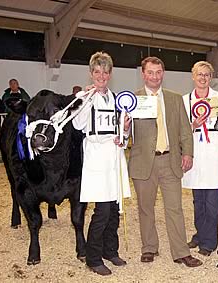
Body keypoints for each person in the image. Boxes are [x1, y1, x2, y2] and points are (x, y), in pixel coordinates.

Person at [128, 56, 202, 267]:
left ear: (163, 74)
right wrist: (124, 127)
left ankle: (181, 252)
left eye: (158, 72)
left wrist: (187, 153)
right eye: (150, 72)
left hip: (170, 160)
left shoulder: (174, 99)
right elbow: (125, 134)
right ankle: (149, 247)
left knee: (175, 208)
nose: (154, 77)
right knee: (145, 208)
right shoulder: (132, 99)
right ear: (143, 74)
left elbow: (185, 131)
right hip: (144, 162)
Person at [72, 51, 131, 276]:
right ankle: (93, 257)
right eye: (97, 72)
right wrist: (85, 99)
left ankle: (110, 250)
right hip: (96, 156)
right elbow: (78, 125)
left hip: (115, 157)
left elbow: (123, 133)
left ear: (110, 74)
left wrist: (124, 130)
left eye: (105, 72)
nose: (101, 76)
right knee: (102, 211)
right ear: (91, 73)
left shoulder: (117, 98)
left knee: (115, 209)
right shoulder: (84, 97)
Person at [182, 61, 218, 256]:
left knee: (213, 199)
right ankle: (200, 234)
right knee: (198, 200)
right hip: (195, 149)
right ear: (193, 76)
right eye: (199, 74)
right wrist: (193, 124)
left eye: (206, 75)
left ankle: (209, 242)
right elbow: (181, 129)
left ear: (211, 77)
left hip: (214, 150)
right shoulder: (185, 99)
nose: (203, 78)